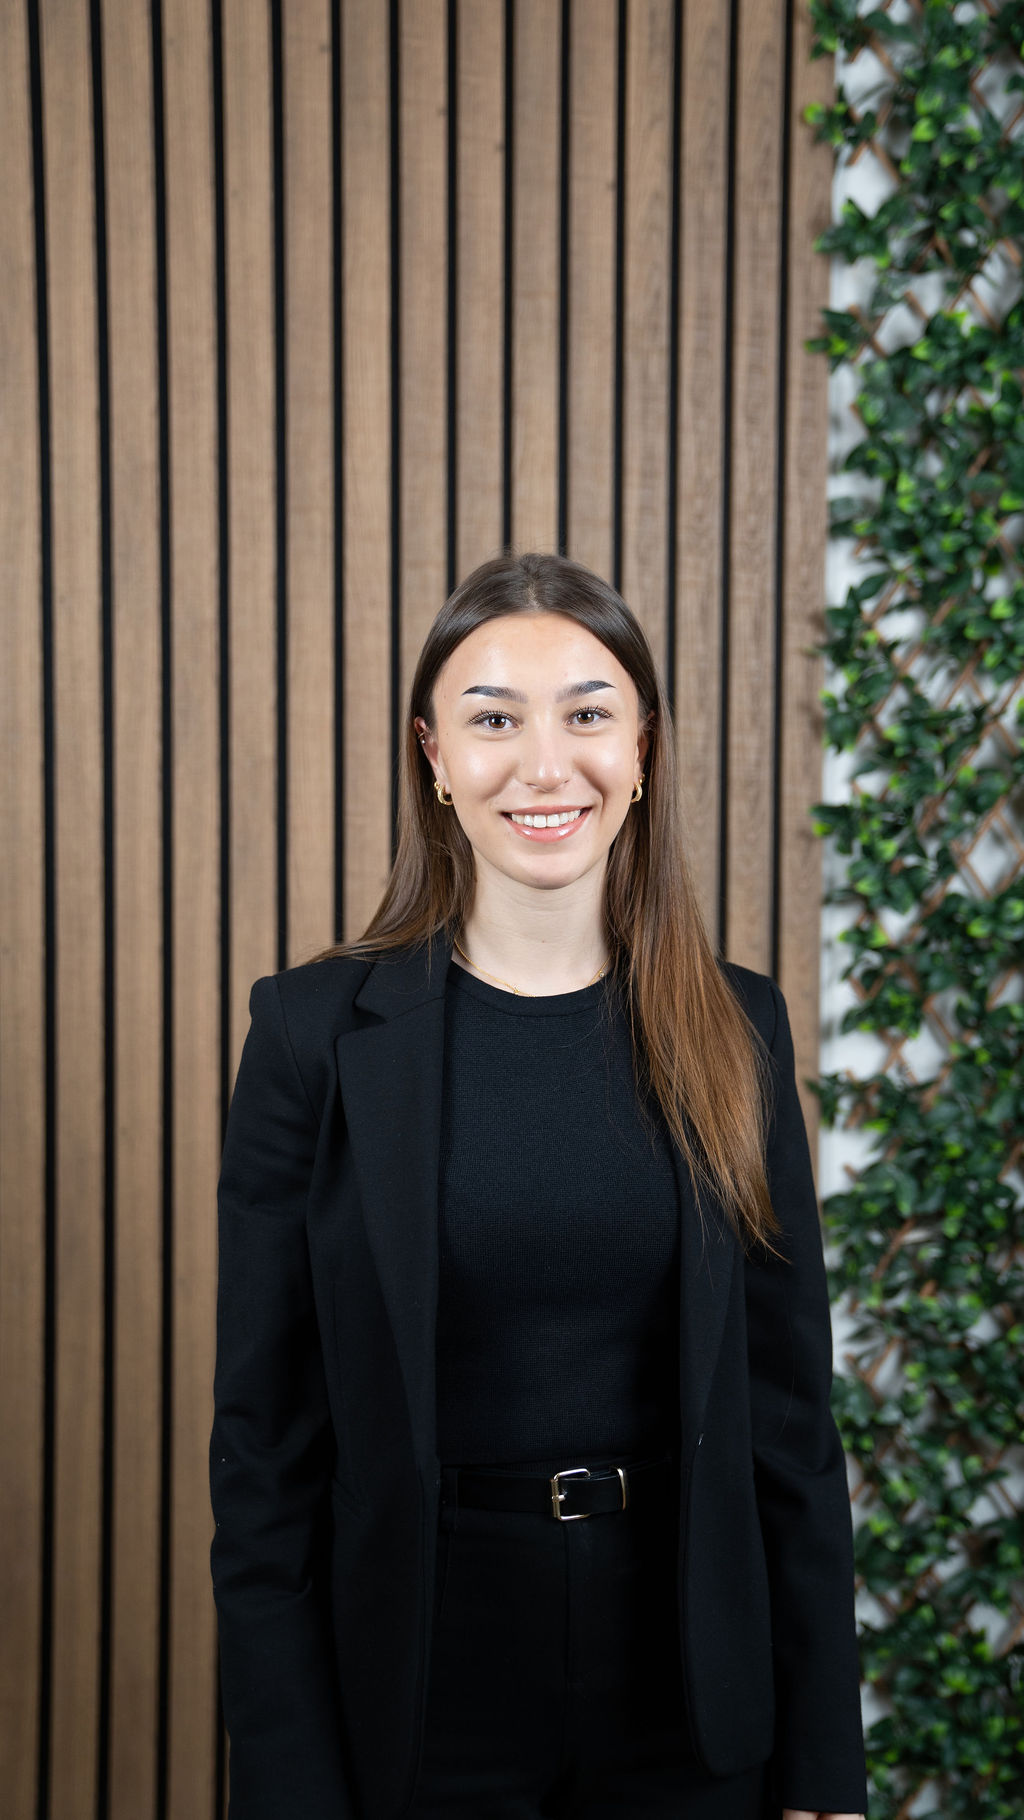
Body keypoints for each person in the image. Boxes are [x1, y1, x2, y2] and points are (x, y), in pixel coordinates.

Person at [210, 550, 868, 1820]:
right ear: (435, 756)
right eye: (493, 718)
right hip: (414, 1689)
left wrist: (824, 1770)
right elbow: (265, 1453)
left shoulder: (736, 1026)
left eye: (587, 711)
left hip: (688, 1688)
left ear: (642, 748)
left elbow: (789, 1426)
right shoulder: (309, 1036)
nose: (544, 762)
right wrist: (287, 1781)